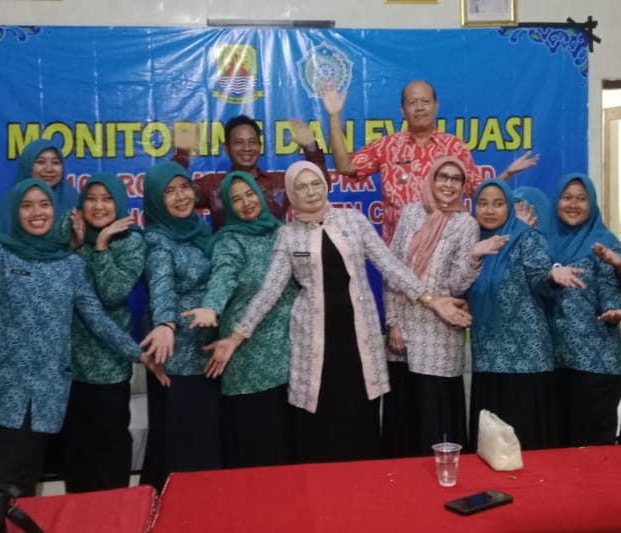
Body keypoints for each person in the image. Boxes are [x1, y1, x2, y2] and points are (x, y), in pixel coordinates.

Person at [0, 179, 163, 496]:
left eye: (44, 204)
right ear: (16, 212)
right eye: (27, 206)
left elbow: (97, 318)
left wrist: (138, 354)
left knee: (24, 492)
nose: (37, 212)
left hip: (41, 401)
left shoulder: (70, 265)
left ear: (55, 209)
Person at [206, 161, 472, 464]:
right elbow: (269, 292)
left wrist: (431, 299)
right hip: (315, 344)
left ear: (325, 186)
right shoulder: (289, 236)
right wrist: (235, 338)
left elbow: (390, 265)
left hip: (358, 341)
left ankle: (361, 487)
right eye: (301, 187)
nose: (310, 192)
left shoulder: (353, 220)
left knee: (359, 417)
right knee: (319, 421)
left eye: (316, 184)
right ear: (291, 194)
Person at [384, 157, 505, 456]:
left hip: (440, 332)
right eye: (443, 177)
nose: (449, 184)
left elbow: (456, 287)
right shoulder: (411, 213)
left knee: (434, 414)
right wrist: (393, 322)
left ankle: (437, 475)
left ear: (463, 186)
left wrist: (474, 257)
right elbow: (392, 269)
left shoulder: (465, 224)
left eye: (456, 179)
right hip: (404, 326)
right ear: (431, 179)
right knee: (404, 412)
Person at [319, 80, 539, 243]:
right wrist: (334, 116)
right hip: (399, 257)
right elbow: (345, 167)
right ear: (402, 110)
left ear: (436, 106)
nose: (419, 107)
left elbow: (479, 192)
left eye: (425, 101)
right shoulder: (386, 146)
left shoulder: (454, 147)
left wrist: (508, 173)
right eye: (412, 102)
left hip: (447, 254)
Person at [181, 171, 297, 468]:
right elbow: (224, 276)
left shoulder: (282, 232)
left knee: (288, 447)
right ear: (227, 206)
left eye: (249, 194)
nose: (246, 203)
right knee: (257, 449)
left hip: (288, 357)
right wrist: (211, 307)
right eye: (236, 199)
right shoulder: (229, 240)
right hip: (248, 359)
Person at [467, 179, 584, 451]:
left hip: (526, 362)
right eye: (483, 203)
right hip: (487, 358)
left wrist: (552, 276)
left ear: (509, 206)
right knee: (492, 448)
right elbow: (462, 286)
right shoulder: (473, 243)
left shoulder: (526, 238)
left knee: (526, 447)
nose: (489, 210)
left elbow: (538, 277)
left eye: (498, 204)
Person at [55, 173, 146, 493]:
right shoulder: (71, 238)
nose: (98, 206)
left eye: (107, 199)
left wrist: (102, 245)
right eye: (91, 199)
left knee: (109, 449)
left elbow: (111, 293)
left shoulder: (131, 241)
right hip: (70, 367)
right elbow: (59, 284)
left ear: (119, 203)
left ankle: (116, 513)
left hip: (108, 365)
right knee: (76, 455)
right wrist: (75, 247)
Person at [138, 161, 221, 490]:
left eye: (184, 187)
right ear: (156, 201)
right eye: (169, 192)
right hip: (177, 358)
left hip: (208, 352)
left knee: (206, 441)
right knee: (184, 447)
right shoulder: (157, 241)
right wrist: (165, 324)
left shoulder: (200, 231)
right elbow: (161, 287)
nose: (181, 197)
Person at [546, 173, 621, 447]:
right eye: (567, 197)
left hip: (594, 364)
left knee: (590, 450)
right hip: (554, 363)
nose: (573, 204)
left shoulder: (603, 243)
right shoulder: (545, 241)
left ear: (592, 203)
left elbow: (610, 288)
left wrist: (613, 311)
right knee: (556, 449)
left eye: (581, 198)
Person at [175, 115, 330, 230]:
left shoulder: (279, 182)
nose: (247, 148)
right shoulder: (212, 184)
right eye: (239, 143)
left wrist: (311, 148)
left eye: (252, 142)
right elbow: (173, 197)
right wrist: (182, 155)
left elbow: (321, 187)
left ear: (260, 146)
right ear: (226, 148)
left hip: (276, 258)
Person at [0, 139, 79, 240]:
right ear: (27, 165)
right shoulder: (6, 205)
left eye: (56, 163)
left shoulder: (75, 203)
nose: (49, 169)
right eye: (41, 162)